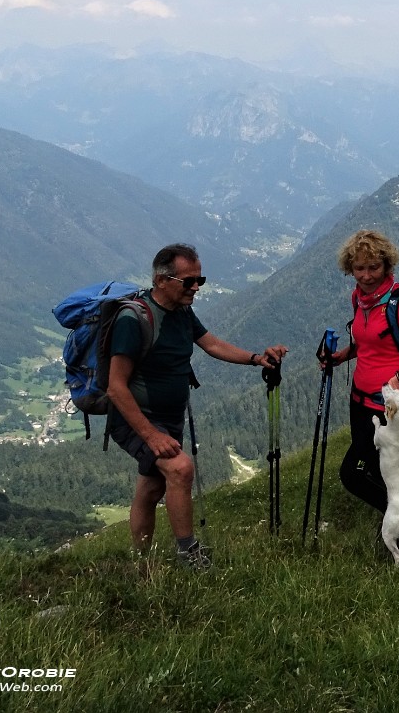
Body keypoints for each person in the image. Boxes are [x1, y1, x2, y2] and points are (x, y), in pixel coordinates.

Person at [107, 243, 287, 569]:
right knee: (180, 469)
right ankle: (190, 557)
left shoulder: (181, 311)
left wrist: (256, 359)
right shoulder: (133, 320)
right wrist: (150, 436)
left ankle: (140, 564)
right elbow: (116, 387)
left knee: (150, 489)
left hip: (168, 418)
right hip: (137, 418)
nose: (196, 288)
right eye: (188, 281)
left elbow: (212, 344)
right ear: (162, 280)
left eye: (200, 281)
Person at [320, 229, 399, 519]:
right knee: (378, 467)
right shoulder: (359, 299)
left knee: (352, 473)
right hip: (358, 399)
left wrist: (398, 379)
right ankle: (393, 525)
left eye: (373, 267)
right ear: (350, 269)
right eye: (359, 268)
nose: (366, 276)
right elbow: (364, 343)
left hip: (385, 404)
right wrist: (341, 357)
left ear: (387, 266)